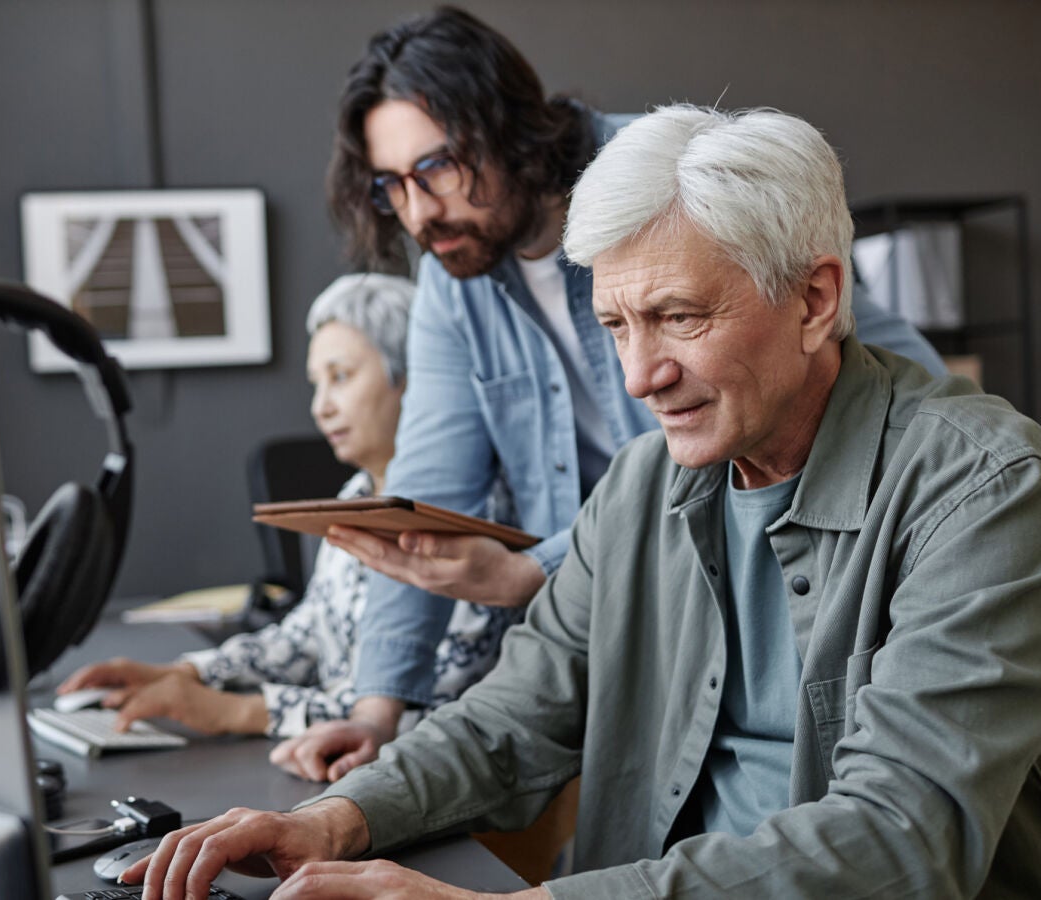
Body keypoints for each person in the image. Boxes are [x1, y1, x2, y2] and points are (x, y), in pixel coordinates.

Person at [127, 105, 1041, 899]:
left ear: (816, 300)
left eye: (675, 316)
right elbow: (513, 720)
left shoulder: (985, 492)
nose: (638, 374)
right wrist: (336, 820)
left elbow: (899, 840)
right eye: (616, 324)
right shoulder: (646, 483)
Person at [276, 5, 951, 782]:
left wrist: (543, 570)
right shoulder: (455, 277)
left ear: (506, 126)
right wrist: (376, 712)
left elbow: (822, 390)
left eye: (437, 167)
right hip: (634, 601)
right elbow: (428, 486)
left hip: (815, 548)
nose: (420, 211)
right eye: (393, 185)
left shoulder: (671, 181)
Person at [57, 273, 520, 738]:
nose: (321, 407)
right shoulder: (355, 495)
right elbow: (309, 634)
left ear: (417, 379)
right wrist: (189, 674)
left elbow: (435, 705)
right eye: (317, 384)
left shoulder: (476, 515)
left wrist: (235, 712)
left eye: (341, 377)